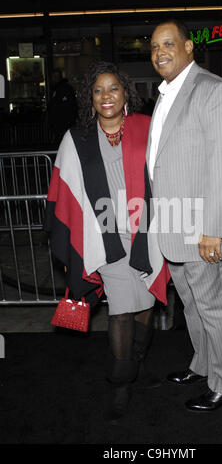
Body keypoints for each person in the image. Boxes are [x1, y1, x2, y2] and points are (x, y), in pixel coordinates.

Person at [44, 61, 169, 423]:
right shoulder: (77, 138)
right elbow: (62, 195)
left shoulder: (147, 128)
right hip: (105, 236)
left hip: (148, 232)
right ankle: (121, 383)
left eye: (113, 88)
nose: (106, 96)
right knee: (121, 311)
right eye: (98, 90)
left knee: (147, 302)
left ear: (125, 92)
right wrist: (70, 249)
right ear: (90, 97)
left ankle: (136, 365)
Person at [148, 19, 222, 412]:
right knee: (192, 304)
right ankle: (204, 363)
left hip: (205, 230)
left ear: (190, 47)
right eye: (155, 46)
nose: (160, 52)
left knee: (215, 306)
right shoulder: (165, 95)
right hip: (175, 226)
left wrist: (213, 230)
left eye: (169, 44)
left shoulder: (214, 91)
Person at [47, 69, 77, 145]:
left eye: (55, 77)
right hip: (61, 124)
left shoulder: (62, 89)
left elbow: (65, 108)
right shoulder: (58, 89)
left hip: (62, 124)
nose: (53, 79)